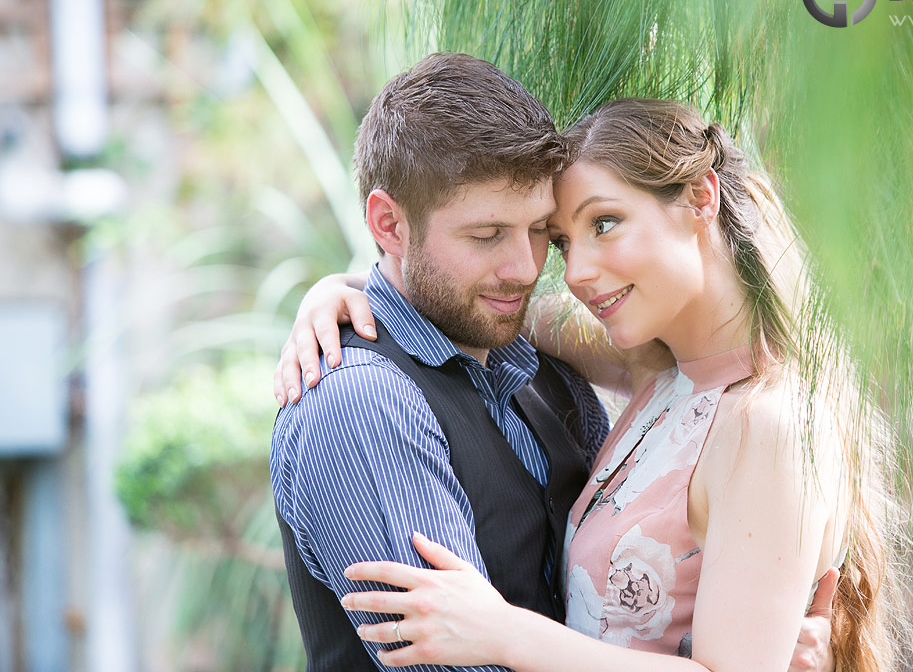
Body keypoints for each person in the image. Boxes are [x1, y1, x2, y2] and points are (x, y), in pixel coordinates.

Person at [270, 55, 840, 672]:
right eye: (488, 234)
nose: (537, 270)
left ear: (702, 201)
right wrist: (342, 284)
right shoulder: (364, 403)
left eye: (542, 230)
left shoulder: (552, 369)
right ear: (389, 225)